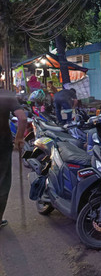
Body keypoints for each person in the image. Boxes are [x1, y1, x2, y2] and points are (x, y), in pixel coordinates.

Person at [0, 89, 27, 228]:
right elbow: (22, 118)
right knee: (2, 182)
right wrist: (19, 138)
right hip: (2, 145)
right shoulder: (6, 95)